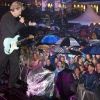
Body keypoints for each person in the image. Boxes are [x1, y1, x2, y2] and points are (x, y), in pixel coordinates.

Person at [0, 1, 36, 88]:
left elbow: (17, 26)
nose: (20, 13)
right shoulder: (7, 17)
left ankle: (11, 84)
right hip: (5, 45)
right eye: (19, 11)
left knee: (15, 63)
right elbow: (13, 30)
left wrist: (28, 24)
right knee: (2, 65)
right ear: (15, 9)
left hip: (12, 45)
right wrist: (20, 22)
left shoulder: (11, 18)